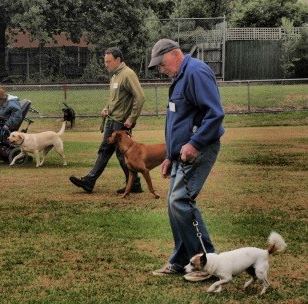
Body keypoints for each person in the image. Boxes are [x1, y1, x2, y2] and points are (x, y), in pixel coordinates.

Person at [147, 39, 225, 281]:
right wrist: (170, 156)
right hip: (181, 153)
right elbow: (177, 121)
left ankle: (208, 263)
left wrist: (194, 143)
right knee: (174, 204)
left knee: (181, 201)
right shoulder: (180, 78)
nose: (161, 69)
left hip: (198, 150)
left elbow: (215, 114)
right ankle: (181, 260)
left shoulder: (196, 72)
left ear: (175, 54)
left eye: (161, 64)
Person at [69, 47, 145, 193]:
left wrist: (131, 118)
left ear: (118, 60)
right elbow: (115, 99)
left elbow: (140, 97)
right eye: (105, 62)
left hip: (121, 122)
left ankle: (134, 183)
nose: (106, 65)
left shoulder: (128, 74)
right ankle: (90, 181)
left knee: (121, 154)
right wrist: (106, 109)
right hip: (112, 119)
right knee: (105, 150)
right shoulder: (115, 76)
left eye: (108, 62)